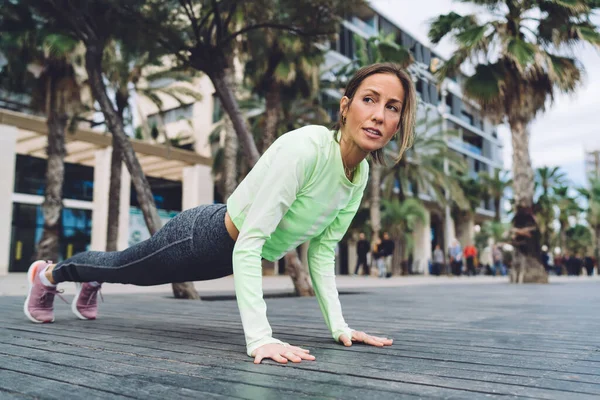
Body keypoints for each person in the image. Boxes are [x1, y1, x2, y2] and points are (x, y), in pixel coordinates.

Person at [22, 62, 417, 365]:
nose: (380, 115)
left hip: (221, 255)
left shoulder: (359, 173)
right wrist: (260, 337)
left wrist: (340, 328)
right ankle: (49, 274)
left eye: (392, 107)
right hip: (202, 237)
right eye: (370, 99)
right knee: (126, 267)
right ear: (346, 107)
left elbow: (321, 251)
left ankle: (91, 278)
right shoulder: (307, 149)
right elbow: (250, 242)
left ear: (399, 123)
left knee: (126, 268)